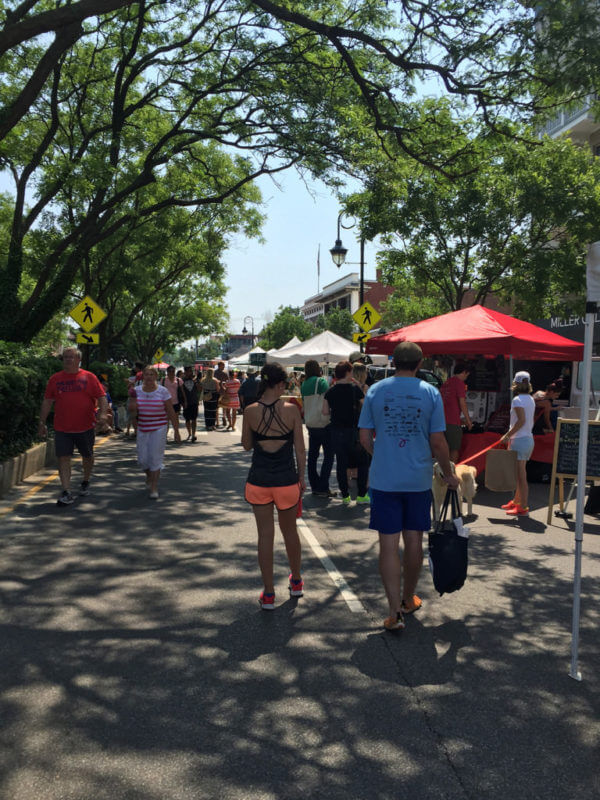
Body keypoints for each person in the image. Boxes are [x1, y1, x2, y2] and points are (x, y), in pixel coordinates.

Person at [358, 341, 459, 631]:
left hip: (384, 479)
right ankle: (407, 598)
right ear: (419, 363)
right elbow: (438, 442)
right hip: (417, 479)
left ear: (394, 361)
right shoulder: (430, 393)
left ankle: (393, 613)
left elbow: (365, 439)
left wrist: (382, 456)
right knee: (414, 539)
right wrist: (447, 472)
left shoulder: (375, 390)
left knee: (388, 544)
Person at [242, 363, 306, 609]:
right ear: (279, 384)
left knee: (265, 536)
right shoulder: (291, 410)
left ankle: (268, 593)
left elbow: (247, 445)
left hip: (259, 480)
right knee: (290, 532)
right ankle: (297, 581)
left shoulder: (250, 411)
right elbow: (300, 449)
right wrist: (302, 478)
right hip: (286, 480)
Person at [38, 347, 109, 505]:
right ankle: (66, 491)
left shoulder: (89, 377)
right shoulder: (55, 379)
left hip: (85, 427)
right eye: (65, 357)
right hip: (62, 428)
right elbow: (47, 401)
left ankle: (85, 480)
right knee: (63, 458)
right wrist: (41, 422)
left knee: (88, 457)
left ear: (78, 360)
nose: (68, 360)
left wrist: (103, 414)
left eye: (71, 357)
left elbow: (102, 397)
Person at [130, 365, 181, 498]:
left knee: (155, 458)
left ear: (156, 377)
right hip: (143, 427)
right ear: (143, 377)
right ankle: (150, 476)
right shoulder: (136, 390)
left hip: (159, 428)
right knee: (142, 460)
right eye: (146, 374)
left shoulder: (163, 391)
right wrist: (132, 405)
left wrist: (176, 430)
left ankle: (154, 487)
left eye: (151, 374)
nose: (149, 377)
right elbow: (132, 411)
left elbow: (170, 411)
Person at [323, 360, 369, 504]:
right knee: (362, 462)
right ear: (348, 373)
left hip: (337, 431)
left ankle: (345, 496)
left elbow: (324, 412)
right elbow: (366, 404)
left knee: (341, 464)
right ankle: (362, 495)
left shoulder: (330, 391)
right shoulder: (354, 389)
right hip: (354, 431)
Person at [500, 370, 536, 517]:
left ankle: (524, 505)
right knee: (521, 473)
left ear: (516, 383)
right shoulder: (530, 399)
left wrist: (507, 435)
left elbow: (520, 421)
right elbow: (526, 421)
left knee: (521, 476)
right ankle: (517, 501)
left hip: (519, 440)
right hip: (527, 439)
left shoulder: (517, 400)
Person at [301, 359, 334, 497]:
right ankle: (323, 487)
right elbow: (329, 399)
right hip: (323, 423)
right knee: (329, 456)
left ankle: (315, 486)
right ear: (317, 369)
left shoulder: (304, 384)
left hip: (310, 423)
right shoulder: (321, 382)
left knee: (313, 456)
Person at [440, 362, 473, 462]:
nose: (466, 378)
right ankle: (451, 473)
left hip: (441, 421)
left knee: (443, 449)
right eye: (467, 375)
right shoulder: (459, 383)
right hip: (453, 422)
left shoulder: (447, 383)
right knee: (454, 449)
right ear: (464, 372)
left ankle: (442, 472)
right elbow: (462, 403)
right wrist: (468, 421)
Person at [161, 365, 185, 438]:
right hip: (166, 402)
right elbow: (160, 391)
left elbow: (182, 391)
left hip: (176, 402)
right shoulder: (163, 380)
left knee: (175, 419)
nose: (171, 373)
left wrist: (185, 401)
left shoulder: (178, 380)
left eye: (173, 371)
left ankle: (176, 434)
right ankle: (165, 436)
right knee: (166, 419)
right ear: (167, 372)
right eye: (170, 371)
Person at [181, 365, 200, 442]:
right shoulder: (182, 380)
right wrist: (183, 402)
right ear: (185, 372)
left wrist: (196, 382)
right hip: (186, 402)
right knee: (187, 419)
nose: (190, 372)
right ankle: (189, 433)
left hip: (194, 401)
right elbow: (181, 392)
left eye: (191, 371)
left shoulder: (195, 379)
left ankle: (193, 434)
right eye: (188, 371)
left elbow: (199, 389)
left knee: (194, 419)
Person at [213, 361, 229, 427]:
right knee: (223, 406)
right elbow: (227, 382)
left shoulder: (215, 373)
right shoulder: (224, 373)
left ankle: (217, 421)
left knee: (217, 407)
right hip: (222, 392)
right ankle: (224, 417)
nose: (224, 367)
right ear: (220, 366)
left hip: (217, 391)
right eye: (223, 365)